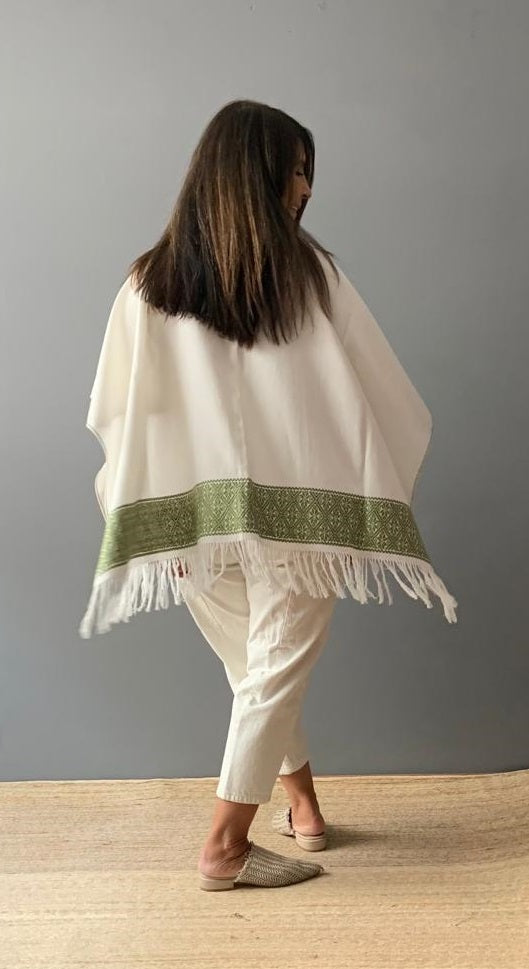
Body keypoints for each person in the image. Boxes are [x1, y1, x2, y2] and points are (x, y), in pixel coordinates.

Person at [79, 99, 458, 891]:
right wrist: (365, 489)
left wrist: (143, 511)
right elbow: (378, 393)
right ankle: (224, 845)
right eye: (295, 169)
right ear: (254, 173)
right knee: (270, 672)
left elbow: (119, 414)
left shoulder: (146, 286)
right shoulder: (311, 279)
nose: (305, 187)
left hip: (192, 517)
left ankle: (305, 808)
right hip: (303, 515)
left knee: (257, 671)